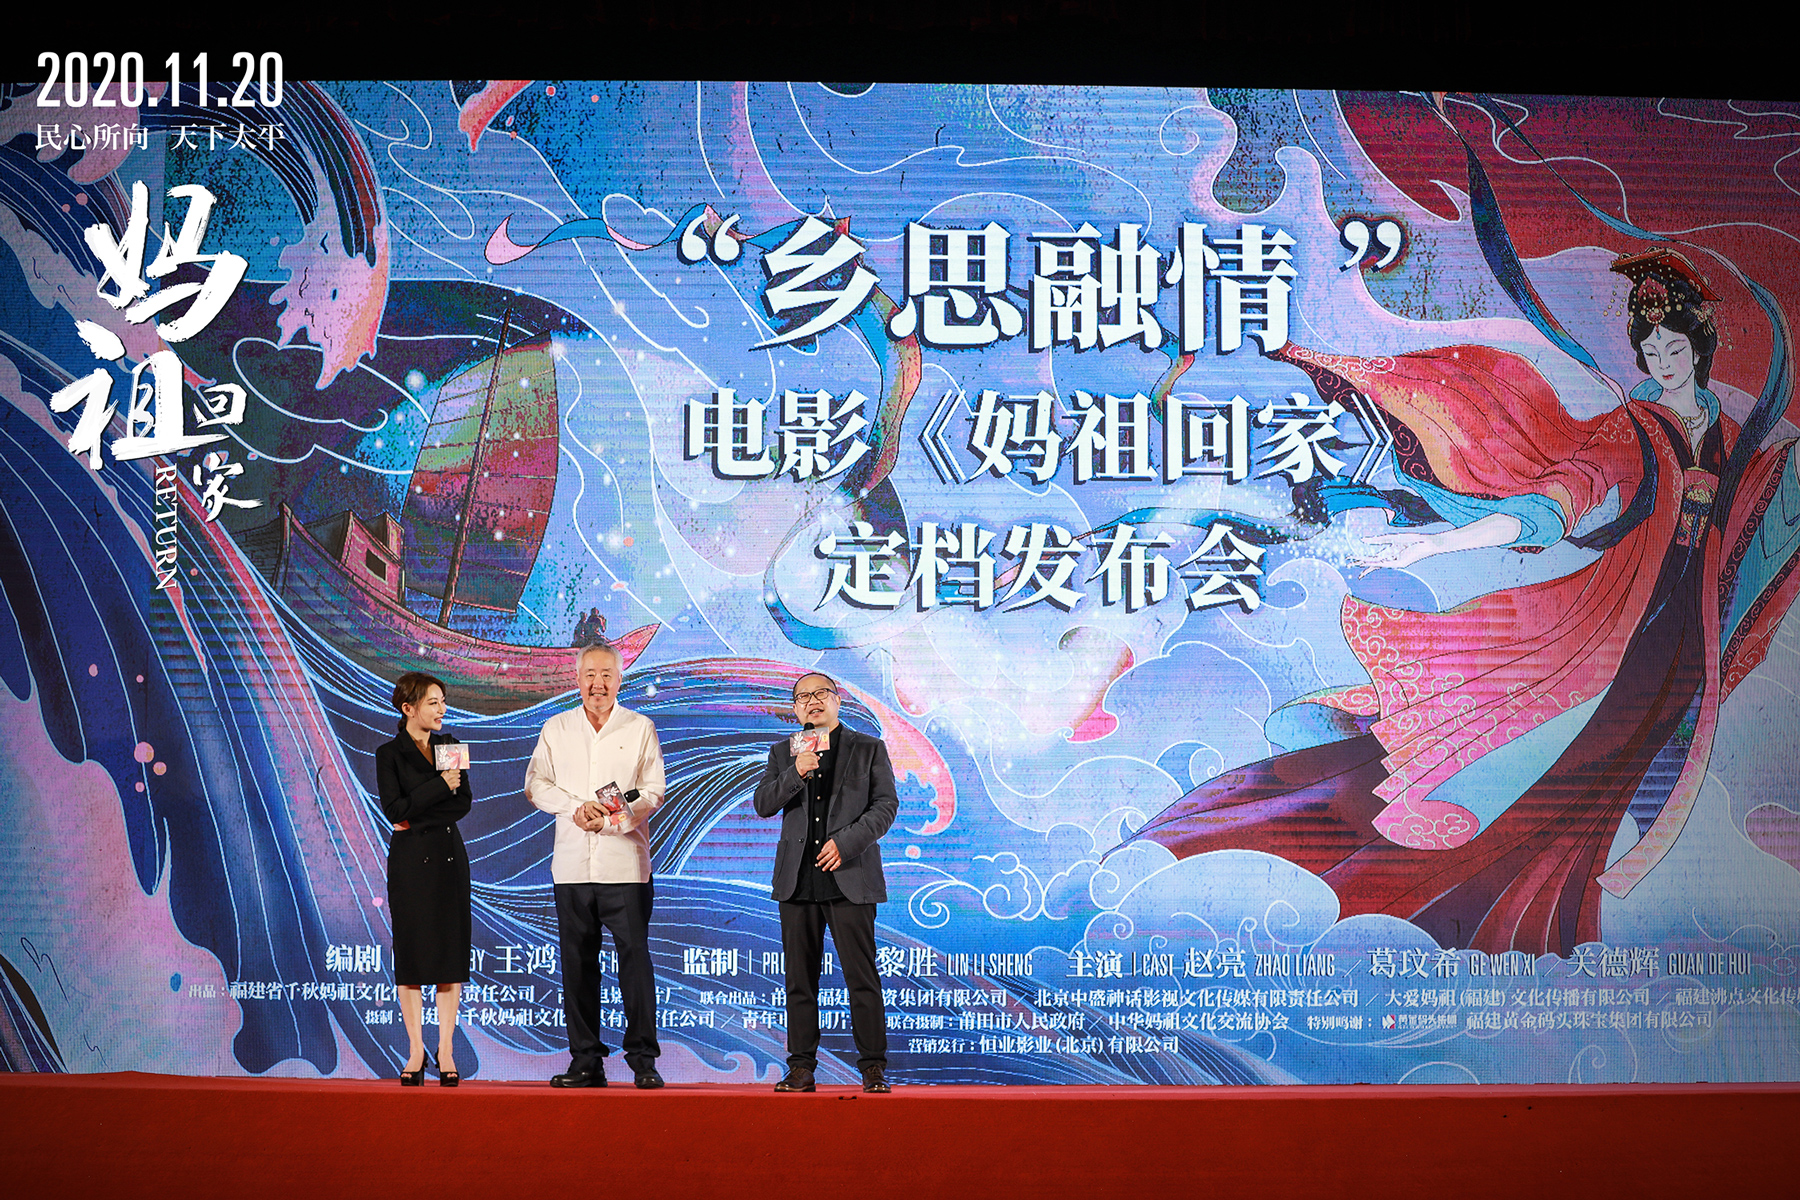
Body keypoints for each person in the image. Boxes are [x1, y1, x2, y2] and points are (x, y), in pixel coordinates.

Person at [1130, 250, 1800, 958]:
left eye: (1674, 347)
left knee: (1611, 778)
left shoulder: (1732, 439)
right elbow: (1553, 506)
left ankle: (1542, 917)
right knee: (1555, 759)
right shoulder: (1630, 430)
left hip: (1691, 633)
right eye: (1652, 348)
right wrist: (1435, 545)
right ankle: (1440, 898)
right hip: (1618, 628)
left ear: (1700, 347)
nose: (1663, 360)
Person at [524, 642, 667, 1088]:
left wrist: (607, 820)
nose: (597, 684)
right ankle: (586, 1060)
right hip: (571, 866)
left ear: (620, 679)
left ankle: (643, 1060)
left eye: (606, 675)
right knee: (577, 964)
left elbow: (652, 791)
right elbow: (536, 783)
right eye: (589, 674)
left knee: (635, 963)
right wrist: (576, 808)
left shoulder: (639, 727)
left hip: (625, 865)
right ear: (577, 679)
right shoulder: (557, 727)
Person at [753, 672, 899, 1093]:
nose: (812, 702)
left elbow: (885, 806)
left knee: (861, 977)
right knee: (800, 980)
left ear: (837, 700)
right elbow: (763, 804)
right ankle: (801, 1068)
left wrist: (846, 844)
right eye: (802, 697)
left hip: (849, 877)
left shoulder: (868, 748)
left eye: (820, 694)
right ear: (795, 708)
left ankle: (873, 1068)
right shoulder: (784, 752)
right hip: (797, 881)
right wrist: (796, 772)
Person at [375, 671, 473, 1085]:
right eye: (433, 702)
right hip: (410, 863)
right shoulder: (388, 753)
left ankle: (445, 1048)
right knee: (412, 958)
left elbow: (462, 804)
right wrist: (438, 786)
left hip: (449, 860)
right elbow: (394, 810)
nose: (442, 709)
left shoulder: (450, 746)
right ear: (408, 708)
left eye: (443, 701)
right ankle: (416, 1049)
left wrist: (418, 811)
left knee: (449, 957)